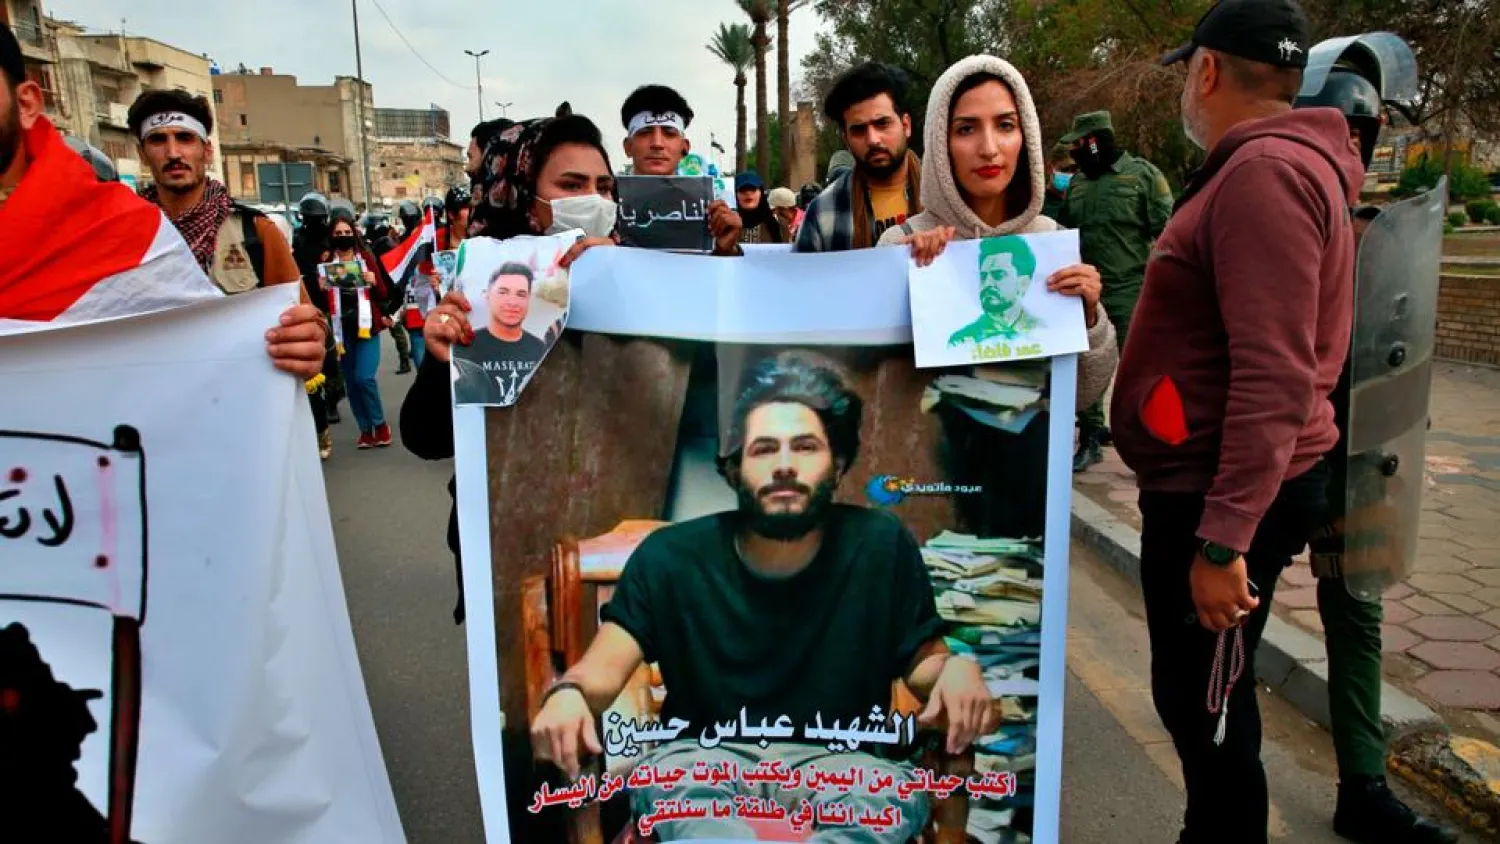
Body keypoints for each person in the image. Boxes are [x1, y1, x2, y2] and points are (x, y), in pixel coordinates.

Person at [529, 352, 995, 842]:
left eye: (806, 446)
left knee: (882, 800)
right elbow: (602, 669)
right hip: (702, 759)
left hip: (846, 761)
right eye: (764, 449)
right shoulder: (671, 558)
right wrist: (567, 695)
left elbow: (925, 665)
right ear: (733, 469)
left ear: (837, 464)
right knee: (684, 796)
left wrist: (959, 667)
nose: (785, 466)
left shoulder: (879, 545)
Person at [1110, 2, 1363, 841]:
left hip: (1218, 495)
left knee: (1203, 705)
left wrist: (1223, 542)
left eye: (1189, 69)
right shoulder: (1268, 167)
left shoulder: (1262, 177)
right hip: (1215, 481)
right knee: (1207, 697)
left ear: (1208, 71)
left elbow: (1275, 373)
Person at [1294, 64, 1458, 844]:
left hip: (1354, 459)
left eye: (1362, 135)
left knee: (1355, 613)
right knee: (1227, 618)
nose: (1351, 147)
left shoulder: (1385, 233)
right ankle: (1222, 775)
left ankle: (1363, 783)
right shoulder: (1280, 208)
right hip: (1278, 462)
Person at [878, 54, 1120, 539]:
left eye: (1005, 125)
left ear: (1025, 135)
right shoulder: (901, 245)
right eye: (966, 129)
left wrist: (1088, 317)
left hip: (1023, 497)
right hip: (929, 493)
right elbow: (882, 396)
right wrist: (901, 283)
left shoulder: (1049, 240)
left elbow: (1083, 393)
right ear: (940, 142)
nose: (989, 148)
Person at [0, 24, 324, 380]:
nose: (173, 153)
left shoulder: (254, 232)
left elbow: (305, 320)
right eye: (158, 140)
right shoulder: (113, 228)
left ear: (206, 150)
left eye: (184, 138)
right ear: (142, 154)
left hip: (236, 401)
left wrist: (310, 341)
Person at [403, 109, 621, 625]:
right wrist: (442, 363)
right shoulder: (481, 288)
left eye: (604, 186)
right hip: (505, 546)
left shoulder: (636, 279)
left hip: (609, 545)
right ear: (523, 190)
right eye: (571, 184)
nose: (594, 200)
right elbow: (426, 437)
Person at [1055, 110, 1175, 472]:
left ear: (1094, 141)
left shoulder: (1143, 176)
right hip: (1087, 294)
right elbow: (1066, 234)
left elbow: (1167, 233)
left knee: (1141, 371)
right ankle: (1090, 435)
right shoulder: (1077, 184)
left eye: (1079, 144)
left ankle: (1150, 445)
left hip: (1130, 289)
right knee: (1086, 361)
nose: (1075, 152)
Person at [797, 62, 922, 253]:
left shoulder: (949, 198)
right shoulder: (823, 213)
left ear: (906, 125)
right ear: (846, 139)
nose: (872, 139)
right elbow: (802, 280)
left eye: (882, 123)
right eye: (858, 129)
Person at [617, 84, 743, 255]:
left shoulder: (708, 209)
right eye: (645, 132)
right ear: (628, 146)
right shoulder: (606, 203)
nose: (657, 144)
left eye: (669, 133)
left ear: (684, 148)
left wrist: (726, 249)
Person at [322, 215, 396, 449]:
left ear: (353, 234)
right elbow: (321, 300)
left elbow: (383, 292)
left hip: (366, 327)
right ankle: (365, 430)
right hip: (342, 332)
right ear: (332, 236)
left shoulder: (365, 258)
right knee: (352, 384)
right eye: (338, 233)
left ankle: (380, 424)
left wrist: (373, 280)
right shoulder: (327, 261)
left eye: (347, 233)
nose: (343, 237)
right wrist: (321, 286)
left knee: (364, 378)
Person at [450, 262, 548, 406]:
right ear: (487, 296)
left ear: (529, 300)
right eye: (503, 292)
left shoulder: (540, 348)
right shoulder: (464, 346)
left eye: (521, 294)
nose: (512, 302)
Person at [732, 170, 784, 244]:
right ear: (735, 194)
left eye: (752, 189)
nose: (748, 193)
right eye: (742, 190)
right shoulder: (729, 224)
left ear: (761, 193)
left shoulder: (778, 224)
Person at [1041, 142, 1073, 221]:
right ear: (1049, 168)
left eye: (1076, 170)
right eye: (1065, 170)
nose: (1071, 175)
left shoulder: (1082, 204)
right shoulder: (1036, 206)